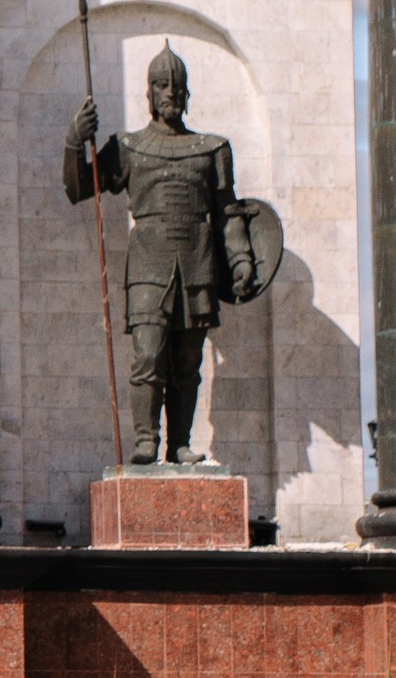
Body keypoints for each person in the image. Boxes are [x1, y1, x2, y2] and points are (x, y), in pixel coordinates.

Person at [64, 42, 258, 466]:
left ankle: (179, 444)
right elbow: (80, 188)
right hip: (149, 265)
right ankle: (145, 440)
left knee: (187, 362)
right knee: (149, 355)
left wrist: (241, 259)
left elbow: (228, 211)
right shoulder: (129, 146)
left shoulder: (212, 149)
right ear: (148, 93)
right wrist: (74, 143)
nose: (170, 91)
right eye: (161, 84)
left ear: (187, 93)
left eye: (176, 85)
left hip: (197, 263)